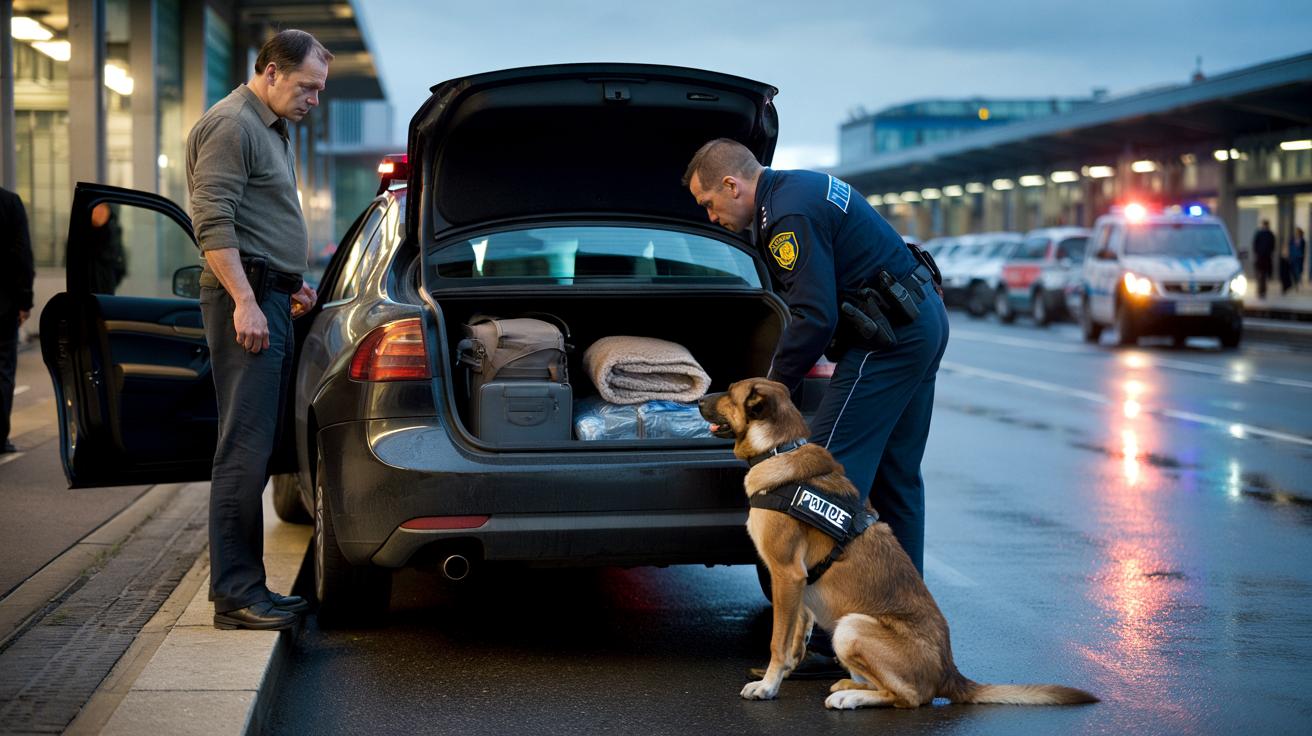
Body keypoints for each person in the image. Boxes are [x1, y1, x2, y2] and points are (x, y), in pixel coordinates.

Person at [683, 139, 949, 678]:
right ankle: (904, 623)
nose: (711, 216)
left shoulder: (786, 217)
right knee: (899, 480)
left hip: (888, 341)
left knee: (820, 477)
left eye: (710, 203)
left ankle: (823, 637)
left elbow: (814, 315)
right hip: (921, 322)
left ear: (733, 186)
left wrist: (768, 390)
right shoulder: (798, 186)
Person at [187, 30, 328, 631]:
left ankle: (252, 588)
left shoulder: (268, 126)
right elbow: (212, 219)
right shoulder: (232, 125)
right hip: (243, 304)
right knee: (241, 452)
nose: (313, 101)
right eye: (306, 88)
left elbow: (257, 219)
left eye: (320, 91)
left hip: (269, 296)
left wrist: (284, 283)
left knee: (257, 448)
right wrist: (246, 298)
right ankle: (237, 597)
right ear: (270, 72)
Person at [1, 186, 35, 454]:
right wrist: (24, 301)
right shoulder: (9, 203)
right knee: (3, 368)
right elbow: (22, 253)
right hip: (3, 304)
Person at [1252, 220, 1275, 299]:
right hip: (1263, 258)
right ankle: (1261, 290)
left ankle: (1261, 290)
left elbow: (1255, 244)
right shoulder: (1266, 234)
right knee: (1261, 275)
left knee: (1262, 275)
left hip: (1263, 258)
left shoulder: (1266, 234)